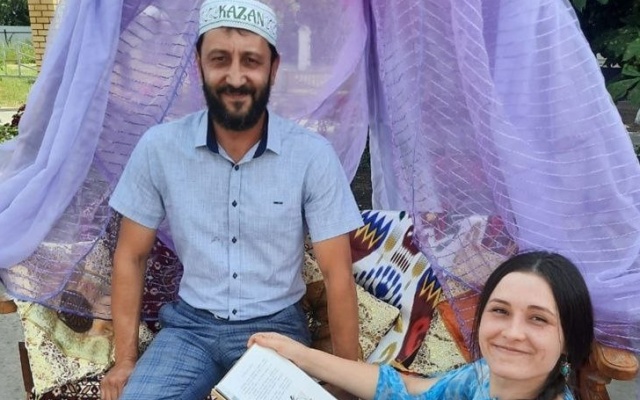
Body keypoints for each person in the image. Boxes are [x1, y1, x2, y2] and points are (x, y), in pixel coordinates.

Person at [100, 0, 363, 399]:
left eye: (251, 61)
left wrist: (347, 378)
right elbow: (131, 256)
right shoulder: (159, 148)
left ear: (273, 68)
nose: (236, 77)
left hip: (277, 330)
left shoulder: (311, 156)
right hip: (189, 330)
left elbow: (337, 273)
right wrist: (125, 361)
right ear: (198, 65)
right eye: (219, 59)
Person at [250, 251, 595, 400]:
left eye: (538, 318)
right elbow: (407, 389)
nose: (512, 332)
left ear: (569, 338)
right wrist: (298, 354)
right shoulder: (483, 377)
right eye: (500, 311)